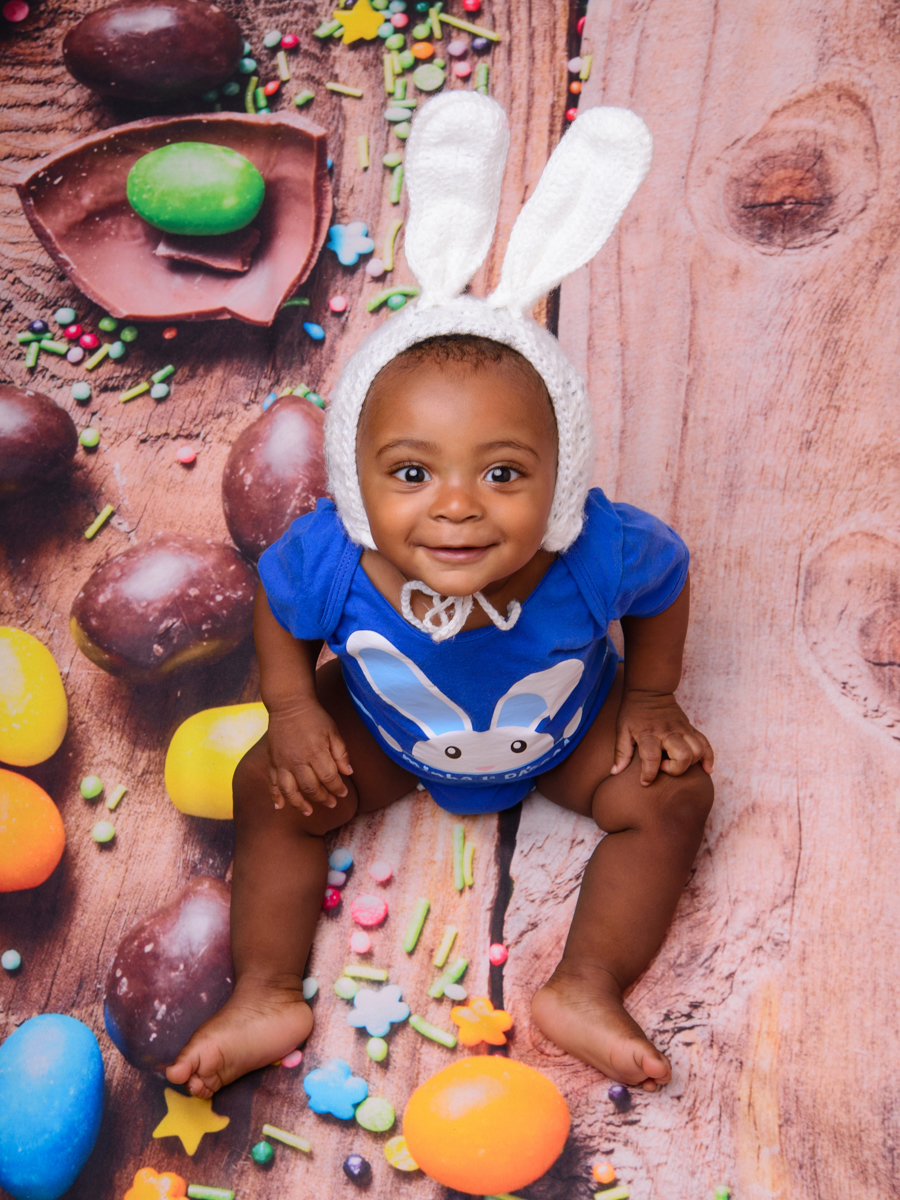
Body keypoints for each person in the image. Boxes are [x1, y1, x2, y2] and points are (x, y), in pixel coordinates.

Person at [166, 93, 714, 1101]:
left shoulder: (598, 549)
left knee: (674, 795)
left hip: (570, 725)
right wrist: (292, 709)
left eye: (503, 474)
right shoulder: (331, 556)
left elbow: (669, 579)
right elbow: (281, 614)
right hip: (384, 731)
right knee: (268, 790)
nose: (457, 509)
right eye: (412, 473)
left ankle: (586, 984)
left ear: (561, 476)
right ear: (357, 480)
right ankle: (266, 990)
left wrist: (648, 696)